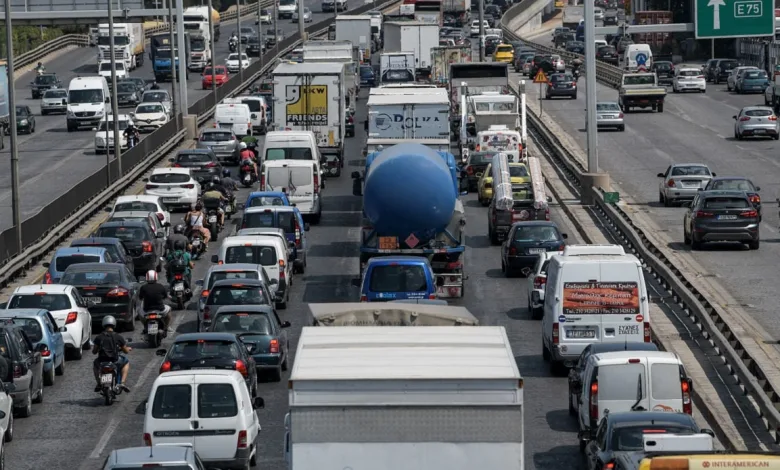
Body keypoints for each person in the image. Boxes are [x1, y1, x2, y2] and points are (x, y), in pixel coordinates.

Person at [92, 316, 132, 393]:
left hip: (101, 362)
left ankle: (99, 383)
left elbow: (94, 352)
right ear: (114, 324)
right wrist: (128, 349)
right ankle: (122, 383)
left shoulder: (99, 337)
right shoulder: (118, 336)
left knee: (95, 364)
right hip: (115, 361)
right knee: (126, 362)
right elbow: (125, 351)